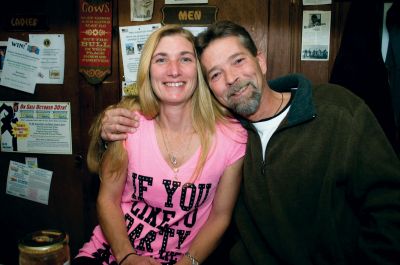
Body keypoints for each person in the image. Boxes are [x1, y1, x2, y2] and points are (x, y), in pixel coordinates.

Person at [99, 21, 400, 264]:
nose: (231, 79)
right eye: (215, 74)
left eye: (238, 61)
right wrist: (110, 125)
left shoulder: (337, 111)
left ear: (261, 61)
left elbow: (389, 207)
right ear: (209, 88)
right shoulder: (233, 132)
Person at [74, 25, 247, 265]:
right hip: (111, 253)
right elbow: (107, 200)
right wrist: (127, 257)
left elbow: (220, 216)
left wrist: (187, 263)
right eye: (161, 59)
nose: (173, 71)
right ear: (148, 70)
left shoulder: (232, 138)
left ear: (199, 70)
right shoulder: (127, 122)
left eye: (185, 59)